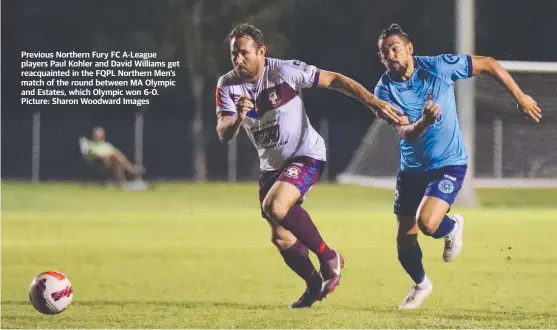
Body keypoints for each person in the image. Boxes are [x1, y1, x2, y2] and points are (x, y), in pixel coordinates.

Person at [216, 23, 402, 308]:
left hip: (307, 154)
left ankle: (329, 256)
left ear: (262, 52)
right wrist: (238, 118)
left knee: (275, 206)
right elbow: (223, 133)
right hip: (271, 167)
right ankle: (314, 285)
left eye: (244, 53)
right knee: (280, 237)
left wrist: (373, 102)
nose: (237, 60)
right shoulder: (227, 85)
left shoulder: (284, 71)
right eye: (233, 54)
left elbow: (335, 79)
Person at [374, 23, 542, 309]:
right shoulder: (384, 89)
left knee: (428, 223)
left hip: (448, 163)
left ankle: (451, 226)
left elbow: (488, 64)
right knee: (404, 241)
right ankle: (421, 284)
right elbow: (404, 132)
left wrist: (520, 96)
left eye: (395, 48)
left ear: (409, 49)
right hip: (411, 169)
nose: (390, 55)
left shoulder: (439, 67)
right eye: (384, 52)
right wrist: (424, 122)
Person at [79, 126, 146, 189]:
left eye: (100, 134)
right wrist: (103, 155)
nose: (99, 136)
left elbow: (113, 152)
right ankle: (131, 169)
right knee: (115, 154)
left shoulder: (107, 145)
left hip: (111, 162)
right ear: (94, 135)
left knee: (117, 160)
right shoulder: (91, 145)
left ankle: (122, 183)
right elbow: (90, 156)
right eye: (97, 134)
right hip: (99, 163)